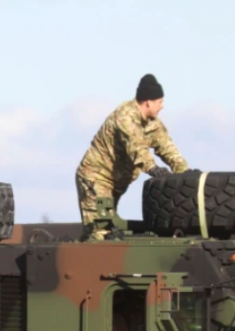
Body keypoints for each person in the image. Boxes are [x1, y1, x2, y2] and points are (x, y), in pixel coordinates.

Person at [76, 73, 190, 240]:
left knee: (108, 231)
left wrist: (185, 173)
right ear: (149, 102)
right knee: (99, 233)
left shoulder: (153, 123)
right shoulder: (125, 116)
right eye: (160, 102)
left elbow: (168, 149)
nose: (162, 106)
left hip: (116, 184)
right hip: (96, 178)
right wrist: (152, 168)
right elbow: (136, 146)